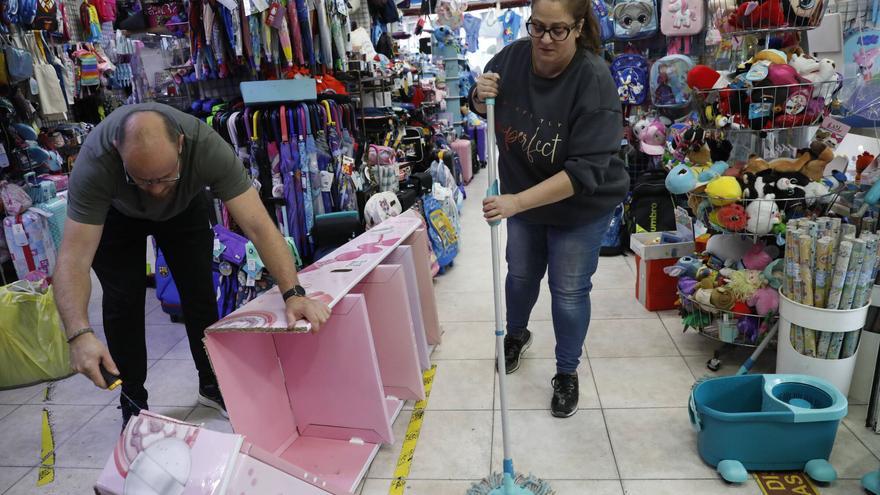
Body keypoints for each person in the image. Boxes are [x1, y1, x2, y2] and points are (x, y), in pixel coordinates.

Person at [54, 103, 332, 425]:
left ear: (181, 145)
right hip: (117, 217)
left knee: (200, 293)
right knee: (122, 303)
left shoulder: (207, 147)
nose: (156, 190)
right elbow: (73, 259)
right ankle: (133, 402)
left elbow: (258, 225)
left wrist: (293, 293)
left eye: (164, 177)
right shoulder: (94, 164)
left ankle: (212, 383)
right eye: (144, 180)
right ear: (118, 152)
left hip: (184, 209)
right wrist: (78, 334)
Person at [469, 0, 628, 418]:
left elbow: (583, 173)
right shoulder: (515, 55)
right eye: (537, 27)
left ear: (578, 27)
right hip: (523, 193)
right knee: (520, 273)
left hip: (581, 204)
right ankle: (516, 335)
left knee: (569, 290)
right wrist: (476, 93)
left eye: (557, 30)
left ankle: (567, 372)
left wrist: (515, 202)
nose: (544, 39)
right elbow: (484, 98)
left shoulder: (594, 81)